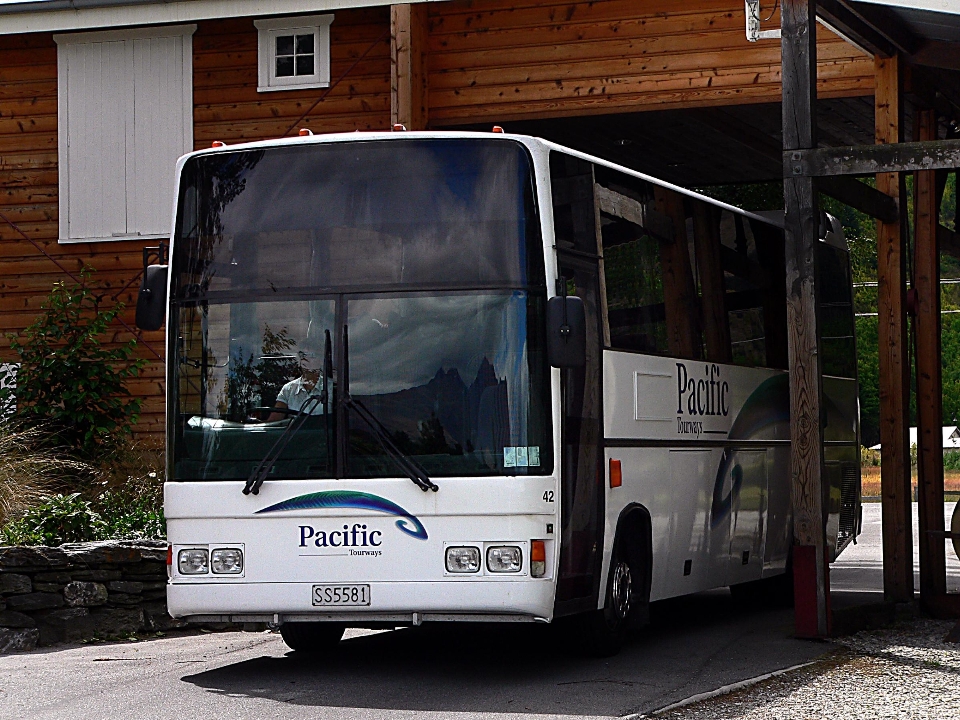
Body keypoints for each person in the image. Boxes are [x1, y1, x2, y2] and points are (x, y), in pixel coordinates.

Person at [268, 350, 326, 421]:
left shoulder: (332, 388)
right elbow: (274, 422)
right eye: (302, 355)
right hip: (293, 432)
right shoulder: (288, 389)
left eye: (311, 355)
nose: (305, 359)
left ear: (320, 360)